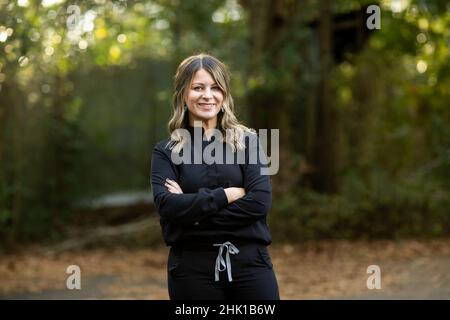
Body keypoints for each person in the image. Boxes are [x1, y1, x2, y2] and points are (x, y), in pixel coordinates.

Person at [150, 53, 279, 300]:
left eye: (216, 88)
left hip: (251, 265)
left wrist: (192, 216)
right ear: (183, 95)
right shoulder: (165, 152)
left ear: (225, 95)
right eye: (198, 88)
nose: (208, 95)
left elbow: (260, 202)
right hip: (191, 270)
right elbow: (167, 207)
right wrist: (226, 195)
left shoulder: (248, 142)